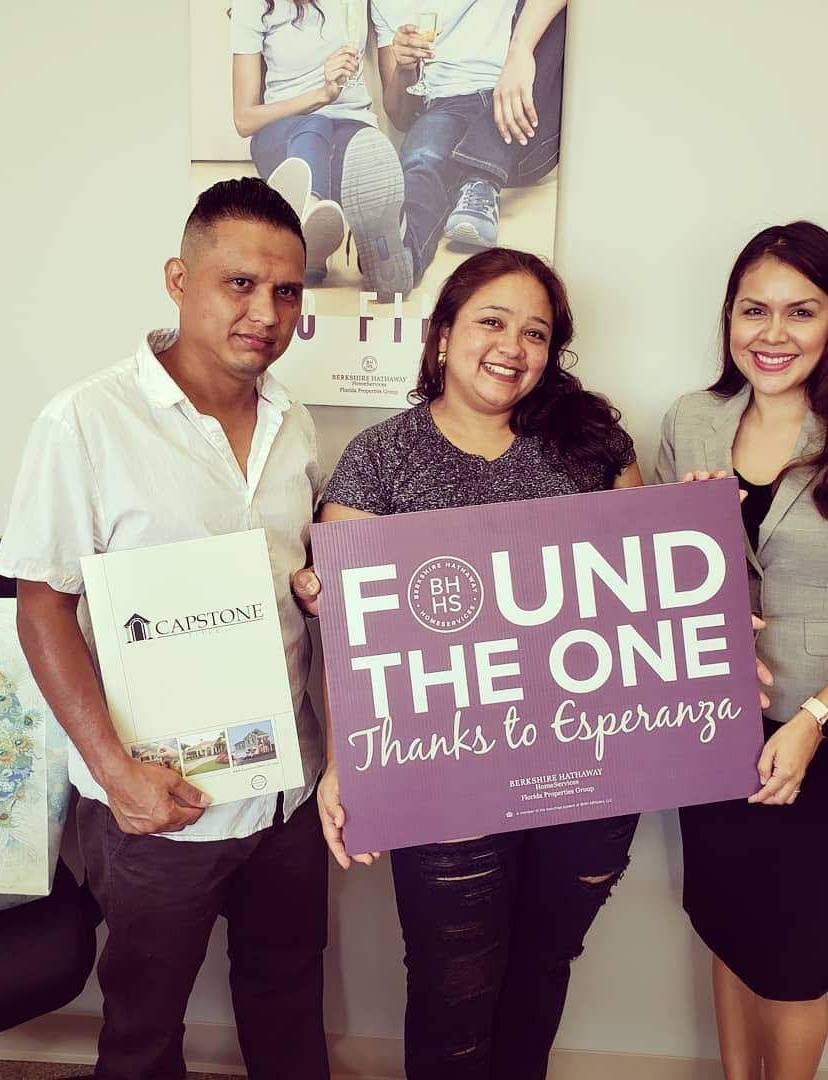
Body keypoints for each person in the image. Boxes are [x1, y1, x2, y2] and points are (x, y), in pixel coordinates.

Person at [0, 179, 330, 1080]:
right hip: (158, 801)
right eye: (240, 283)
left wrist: (313, 591)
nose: (265, 310)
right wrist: (117, 773)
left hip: (287, 787)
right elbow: (42, 608)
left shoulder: (296, 426)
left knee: (290, 1002)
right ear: (179, 279)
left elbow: (294, 583)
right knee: (143, 1032)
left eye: (287, 291)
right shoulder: (87, 422)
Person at [316, 247, 642, 1079]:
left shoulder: (595, 447)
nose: (513, 347)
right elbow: (346, 640)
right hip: (442, 778)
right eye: (492, 322)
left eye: (536, 332)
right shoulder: (379, 457)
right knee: (452, 988)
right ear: (444, 335)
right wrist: (347, 760)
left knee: (541, 969)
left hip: (585, 771)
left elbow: (650, 595)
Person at [656, 221, 828, 1080]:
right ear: (728, 318)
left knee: (796, 964)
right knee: (730, 929)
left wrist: (813, 719)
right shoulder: (693, 421)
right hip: (713, 734)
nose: (771, 335)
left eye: (799, 312)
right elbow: (657, 588)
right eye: (753, 310)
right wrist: (684, 538)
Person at [371, 0, 566, 285]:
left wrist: (520, 50)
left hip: (521, 105)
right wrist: (404, 69)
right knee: (421, 162)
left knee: (556, 21)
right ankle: (398, 258)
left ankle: (481, 180)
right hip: (445, 108)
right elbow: (400, 115)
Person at [231, 0, 412, 298]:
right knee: (314, 127)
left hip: (349, 128)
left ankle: (349, 246)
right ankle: (309, 216)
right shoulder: (253, 5)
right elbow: (244, 118)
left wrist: (409, 60)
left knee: (368, 151)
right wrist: (321, 95)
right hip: (284, 137)